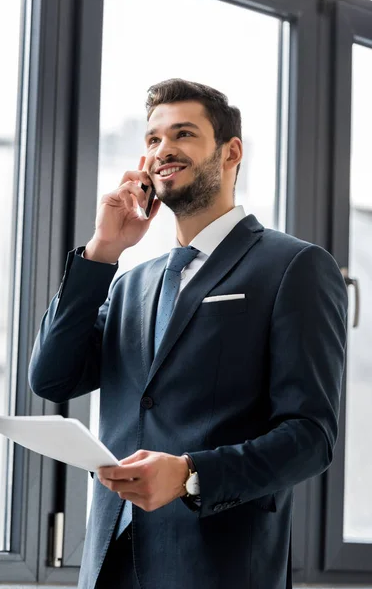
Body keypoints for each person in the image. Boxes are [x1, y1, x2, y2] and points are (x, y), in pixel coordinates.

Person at [29, 78, 348, 589]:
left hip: (218, 568)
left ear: (230, 152)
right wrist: (102, 252)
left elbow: (311, 438)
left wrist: (189, 473)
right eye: (153, 139)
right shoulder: (131, 281)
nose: (162, 151)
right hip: (110, 565)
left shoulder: (296, 266)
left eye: (183, 134)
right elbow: (51, 378)